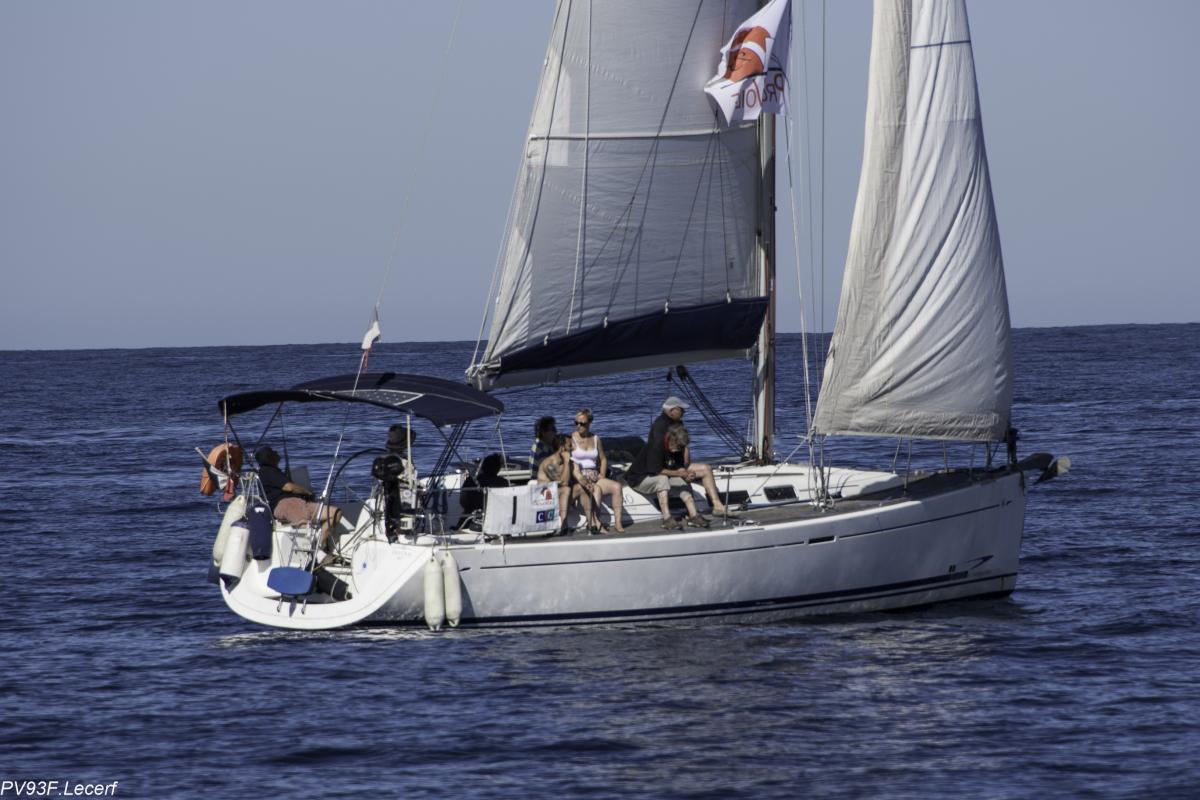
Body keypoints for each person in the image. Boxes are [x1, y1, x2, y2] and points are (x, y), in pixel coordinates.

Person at [625, 396, 733, 529]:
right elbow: (656, 470)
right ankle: (667, 518)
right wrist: (679, 473)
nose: (678, 450)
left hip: (663, 469)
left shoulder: (677, 440)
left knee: (682, 480)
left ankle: (694, 515)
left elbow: (679, 464)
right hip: (641, 477)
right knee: (662, 479)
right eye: (681, 410)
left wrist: (685, 473)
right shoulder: (657, 442)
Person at [255, 446, 342, 548]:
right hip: (286, 504)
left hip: (300, 503)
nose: (276, 452)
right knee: (305, 526)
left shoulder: (275, 471)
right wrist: (307, 492)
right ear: (269, 457)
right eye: (273, 452)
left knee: (335, 513)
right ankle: (314, 550)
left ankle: (320, 544)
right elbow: (289, 487)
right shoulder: (267, 471)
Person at [570, 407, 625, 533]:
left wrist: (602, 474)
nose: (578, 426)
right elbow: (569, 462)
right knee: (596, 489)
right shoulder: (571, 439)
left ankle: (618, 523)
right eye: (576, 423)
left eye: (582, 423)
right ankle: (596, 522)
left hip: (595, 475)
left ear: (590, 423)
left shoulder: (596, 439)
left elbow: (603, 458)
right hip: (580, 477)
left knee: (617, 487)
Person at [537, 433, 597, 535]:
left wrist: (587, 484)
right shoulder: (549, 464)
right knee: (566, 489)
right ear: (562, 448)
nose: (573, 448)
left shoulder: (571, 463)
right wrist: (566, 461)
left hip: (560, 500)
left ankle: (591, 524)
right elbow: (564, 483)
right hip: (545, 502)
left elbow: (579, 477)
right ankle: (563, 526)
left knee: (581, 487)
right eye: (570, 445)